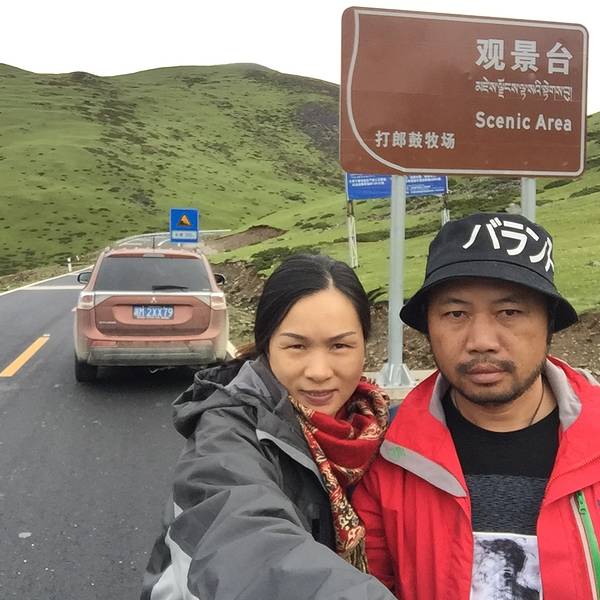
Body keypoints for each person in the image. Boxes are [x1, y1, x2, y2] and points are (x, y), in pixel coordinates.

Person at [353, 212, 600, 600]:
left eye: (509, 312)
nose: (481, 340)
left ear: (549, 323)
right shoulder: (389, 456)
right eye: (456, 314)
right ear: (429, 326)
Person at [141, 254, 396, 600]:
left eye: (340, 346)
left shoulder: (378, 425)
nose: (319, 371)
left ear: (364, 345)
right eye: (296, 346)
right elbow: (248, 546)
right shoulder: (226, 433)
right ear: (267, 346)